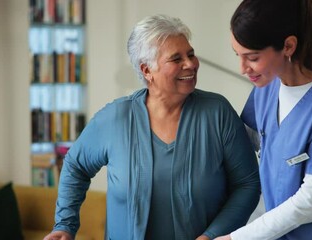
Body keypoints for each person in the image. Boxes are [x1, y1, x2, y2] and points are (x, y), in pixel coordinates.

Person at [43, 14, 260, 240]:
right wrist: (65, 225)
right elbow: (76, 165)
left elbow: (248, 184)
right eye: (176, 59)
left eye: (191, 54)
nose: (191, 64)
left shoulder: (217, 113)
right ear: (147, 70)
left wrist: (211, 236)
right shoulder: (115, 118)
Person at [215, 0, 312, 239]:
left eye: (252, 57)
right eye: (237, 55)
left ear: (288, 46)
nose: (242, 68)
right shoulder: (266, 87)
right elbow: (238, 150)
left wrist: (234, 238)